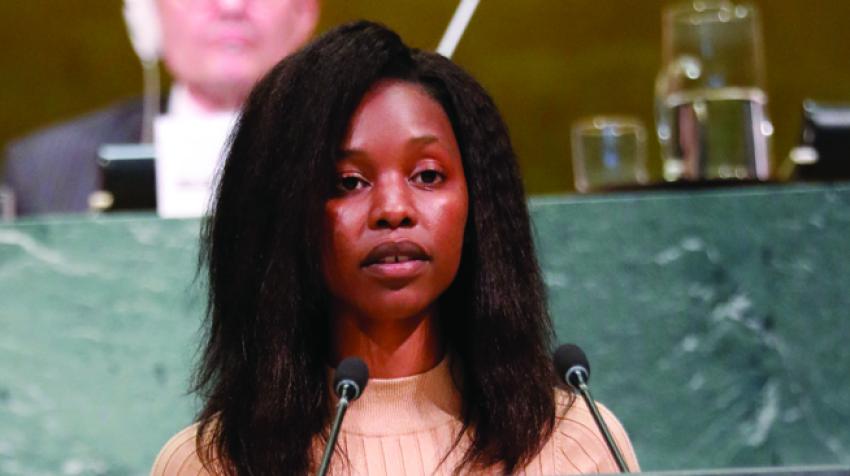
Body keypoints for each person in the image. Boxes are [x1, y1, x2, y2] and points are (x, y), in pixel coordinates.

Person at [152, 21, 640, 475]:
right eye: (348, 182)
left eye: (427, 175)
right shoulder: (212, 463)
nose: (393, 209)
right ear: (283, 213)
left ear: (479, 204)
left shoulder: (573, 443)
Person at [2, 0, 319, 216]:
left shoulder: (352, 157)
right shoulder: (47, 170)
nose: (231, 7)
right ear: (148, 13)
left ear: (304, 11)